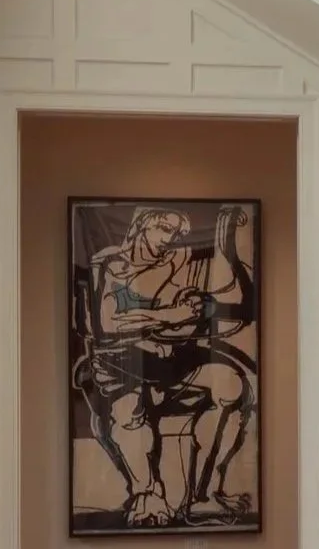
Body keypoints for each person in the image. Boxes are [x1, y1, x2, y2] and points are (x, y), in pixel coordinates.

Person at [76, 205, 257, 526]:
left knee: (234, 386)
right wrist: (168, 316)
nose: (169, 239)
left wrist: (224, 248)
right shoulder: (110, 263)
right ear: (141, 226)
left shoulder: (180, 260)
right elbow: (107, 324)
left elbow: (243, 306)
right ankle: (147, 493)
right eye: (163, 228)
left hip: (172, 358)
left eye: (175, 233)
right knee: (126, 412)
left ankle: (202, 497)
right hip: (120, 361)